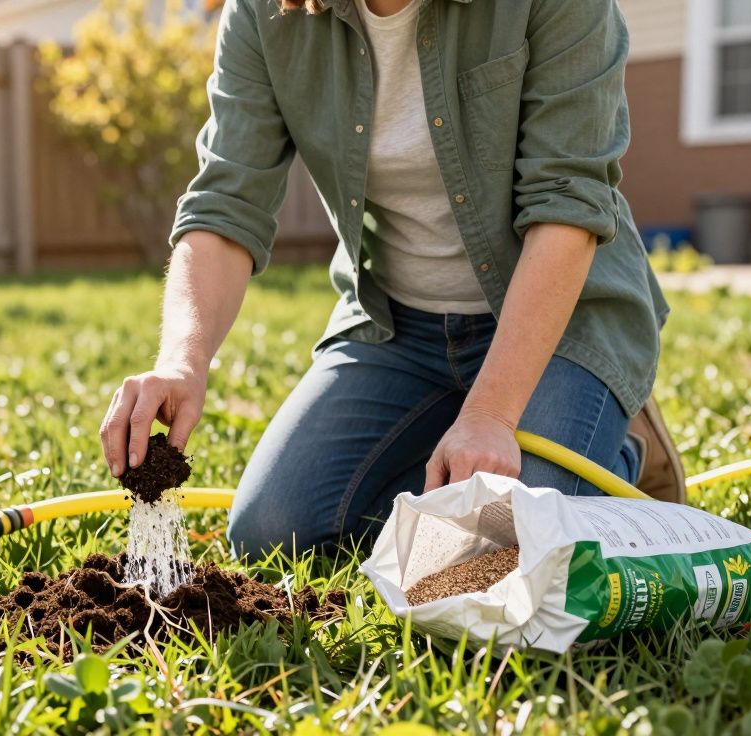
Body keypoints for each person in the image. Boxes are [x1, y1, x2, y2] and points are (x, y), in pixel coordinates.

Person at [99, 0, 680, 558]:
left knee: (498, 551)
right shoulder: (265, 10)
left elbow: (566, 209)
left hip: (562, 328)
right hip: (397, 328)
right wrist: (183, 361)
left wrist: (493, 415)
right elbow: (227, 204)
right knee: (272, 530)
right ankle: (461, 448)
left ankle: (619, 449)